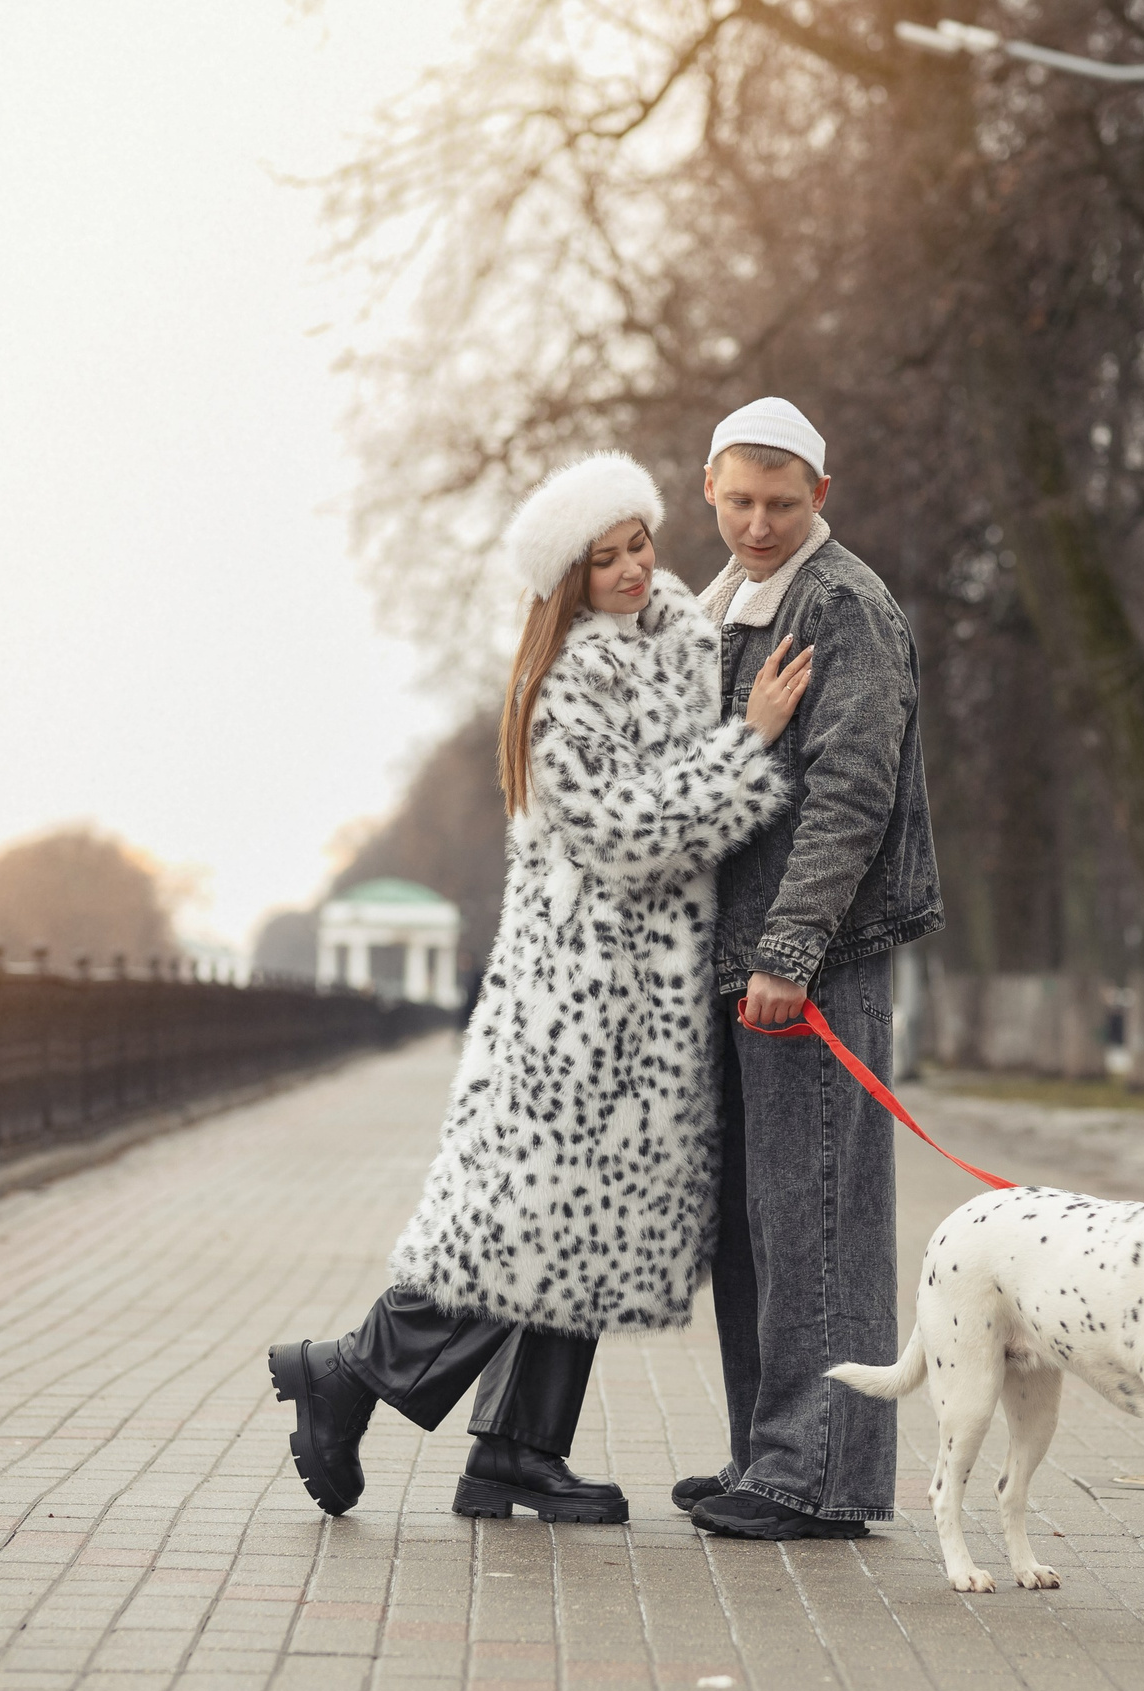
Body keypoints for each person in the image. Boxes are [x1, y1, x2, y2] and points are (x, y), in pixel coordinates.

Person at [268, 451, 813, 1523]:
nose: (625, 569)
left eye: (636, 544)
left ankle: (516, 1448)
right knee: (532, 1220)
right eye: (599, 559)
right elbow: (624, 835)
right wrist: (747, 744)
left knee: (593, 1222)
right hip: (574, 999)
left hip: (642, 994)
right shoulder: (567, 681)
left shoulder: (672, 644)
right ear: (564, 580)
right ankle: (344, 1371)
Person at [675, 398, 942, 1541]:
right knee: (755, 1226)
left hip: (810, 966)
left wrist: (790, 950)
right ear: (708, 488)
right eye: (738, 501)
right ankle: (765, 1457)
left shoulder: (847, 610)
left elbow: (849, 798)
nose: (758, 524)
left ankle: (817, 1478)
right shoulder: (715, 602)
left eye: (782, 504)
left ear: (819, 497)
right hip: (733, 964)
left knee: (817, 1216)